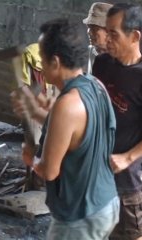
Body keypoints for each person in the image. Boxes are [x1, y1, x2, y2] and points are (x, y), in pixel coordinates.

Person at [22, 18, 119, 240]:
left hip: (80, 216)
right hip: (106, 203)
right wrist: (36, 113)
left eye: (42, 59)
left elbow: (49, 171)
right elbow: (73, 132)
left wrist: (31, 159)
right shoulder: (96, 85)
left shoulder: (66, 105)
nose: (40, 64)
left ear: (55, 62)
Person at [92, 3, 142, 240]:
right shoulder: (102, 64)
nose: (107, 39)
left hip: (129, 180)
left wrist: (128, 157)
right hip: (97, 173)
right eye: (106, 31)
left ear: (134, 36)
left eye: (114, 33)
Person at [83, 2, 112, 74]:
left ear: (108, 32)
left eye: (94, 28)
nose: (89, 32)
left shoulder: (122, 60)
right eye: (88, 27)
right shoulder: (86, 54)